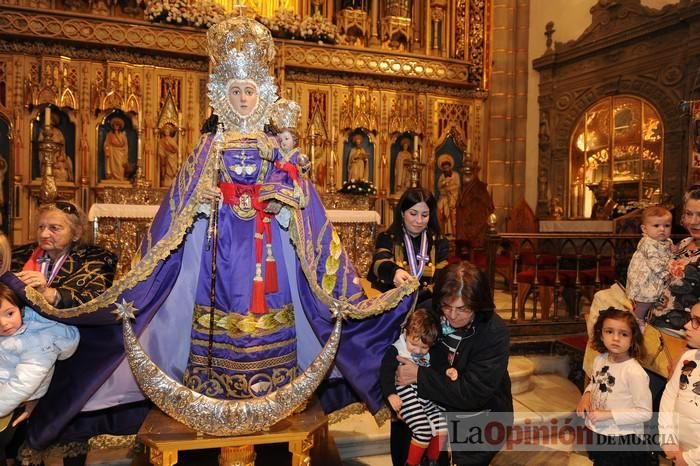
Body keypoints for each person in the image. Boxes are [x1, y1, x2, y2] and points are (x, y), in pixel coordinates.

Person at [3, 15, 417, 461]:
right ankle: (215, 391)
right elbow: (179, 206)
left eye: (249, 91)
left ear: (262, 96)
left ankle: (276, 388)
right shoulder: (208, 149)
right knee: (218, 317)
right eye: (235, 91)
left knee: (274, 316)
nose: (242, 99)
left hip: (267, 255)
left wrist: (283, 199)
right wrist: (201, 201)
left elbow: (302, 204)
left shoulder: (277, 148)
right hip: (219, 257)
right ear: (222, 95)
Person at [9, 201, 118, 466]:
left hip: (72, 353)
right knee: (20, 427)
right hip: (19, 347)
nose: (45, 234)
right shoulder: (19, 255)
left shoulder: (97, 257)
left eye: (55, 228)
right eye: (41, 227)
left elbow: (95, 298)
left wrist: (51, 293)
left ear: (77, 232)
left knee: (70, 427)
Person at [395, 261, 513, 466]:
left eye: (463, 308)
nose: (452, 315)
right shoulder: (427, 313)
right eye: (447, 306)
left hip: (477, 421)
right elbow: (401, 357)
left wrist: (419, 376)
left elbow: (473, 393)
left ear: (478, 304)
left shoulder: (494, 332)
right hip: (428, 415)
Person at [0, 283, 80, 466]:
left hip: (14, 401)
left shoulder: (37, 341)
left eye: (9, 313)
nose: (3, 323)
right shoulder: (11, 333)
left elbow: (23, 383)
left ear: (21, 309)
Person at [576, 307, 653, 465]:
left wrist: (608, 414)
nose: (615, 338)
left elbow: (645, 413)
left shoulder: (633, 372)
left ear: (633, 339)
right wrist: (586, 395)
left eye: (623, 334)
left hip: (622, 438)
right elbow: (595, 382)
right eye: (609, 332)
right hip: (599, 430)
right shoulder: (600, 359)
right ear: (601, 334)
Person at [380, 308, 446, 466]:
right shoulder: (396, 349)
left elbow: (438, 367)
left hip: (424, 393)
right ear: (405, 333)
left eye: (424, 348)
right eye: (413, 344)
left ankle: (432, 460)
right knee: (422, 430)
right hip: (405, 394)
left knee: (443, 425)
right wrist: (391, 395)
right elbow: (385, 374)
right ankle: (411, 463)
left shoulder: (431, 350)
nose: (418, 351)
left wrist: (448, 371)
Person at [367, 187, 449, 305]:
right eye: (413, 214)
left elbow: (443, 278)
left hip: (427, 304)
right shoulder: (388, 237)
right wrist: (394, 272)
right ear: (402, 213)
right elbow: (379, 263)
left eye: (425, 215)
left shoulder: (439, 242)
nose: (419, 220)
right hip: (393, 305)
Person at [659, 301, 700, 466]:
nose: (687, 325)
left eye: (698, 321)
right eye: (691, 319)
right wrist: (668, 438)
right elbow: (669, 396)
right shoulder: (688, 358)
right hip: (679, 451)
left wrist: (690, 458)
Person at [626, 206, 674, 330]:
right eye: (656, 226)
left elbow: (669, 252)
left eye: (667, 226)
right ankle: (637, 318)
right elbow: (654, 261)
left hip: (655, 278)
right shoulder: (647, 242)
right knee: (645, 299)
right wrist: (664, 274)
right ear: (644, 228)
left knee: (656, 299)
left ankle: (649, 317)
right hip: (645, 277)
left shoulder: (667, 241)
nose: (662, 229)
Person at [436, 154, 460, 237]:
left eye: (447, 167)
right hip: (444, 196)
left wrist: (449, 188)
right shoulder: (442, 176)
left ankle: (453, 231)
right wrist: (444, 184)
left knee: (450, 206)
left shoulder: (456, 175)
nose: (446, 169)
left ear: (450, 167)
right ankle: (443, 231)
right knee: (439, 206)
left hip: (454, 196)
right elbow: (439, 187)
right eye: (444, 168)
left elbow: (458, 185)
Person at [103, 117, 129, 181]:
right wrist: (107, 149)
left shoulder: (123, 135)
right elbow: (106, 144)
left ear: (120, 126)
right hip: (112, 152)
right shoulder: (109, 134)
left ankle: (120, 177)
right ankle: (112, 177)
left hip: (120, 153)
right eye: (115, 125)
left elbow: (125, 145)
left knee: (120, 166)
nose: (116, 126)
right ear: (113, 126)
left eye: (117, 125)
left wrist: (124, 153)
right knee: (112, 166)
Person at [157, 122, 179, 187]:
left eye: (168, 130)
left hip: (172, 158)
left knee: (172, 170)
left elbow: (176, 149)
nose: (167, 131)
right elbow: (160, 150)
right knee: (165, 170)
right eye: (165, 130)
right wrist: (163, 154)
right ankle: (164, 180)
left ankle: (171, 180)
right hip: (164, 158)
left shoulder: (171, 140)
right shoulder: (161, 141)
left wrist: (170, 149)